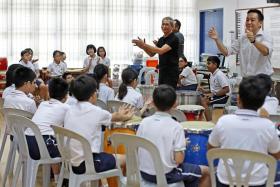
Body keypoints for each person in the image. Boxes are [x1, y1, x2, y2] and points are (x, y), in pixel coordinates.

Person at [208, 76, 280, 187]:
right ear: (261, 104)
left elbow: (211, 149)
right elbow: (276, 156)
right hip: (257, 182)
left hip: (225, 181)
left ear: (238, 99)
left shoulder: (223, 121)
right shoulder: (268, 126)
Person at [137, 84, 210, 187]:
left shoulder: (144, 122)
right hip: (167, 175)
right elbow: (179, 160)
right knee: (206, 171)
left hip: (144, 173)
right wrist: (183, 144)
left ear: (153, 102)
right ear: (175, 104)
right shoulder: (175, 126)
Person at [64, 75, 134, 175]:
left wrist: (118, 114)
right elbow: (117, 117)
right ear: (93, 95)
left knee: (105, 154)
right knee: (128, 158)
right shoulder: (96, 111)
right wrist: (125, 115)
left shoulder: (70, 110)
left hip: (70, 161)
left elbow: (111, 116)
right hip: (88, 163)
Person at [25, 78, 70, 183]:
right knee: (66, 148)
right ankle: (61, 179)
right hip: (42, 145)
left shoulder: (43, 104)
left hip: (27, 143)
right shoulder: (66, 108)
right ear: (66, 95)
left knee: (54, 140)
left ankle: (56, 178)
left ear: (49, 92)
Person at [208, 9, 273, 77]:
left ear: (260, 23)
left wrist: (253, 41)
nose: (249, 22)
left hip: (262, 80)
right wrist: (217, 39)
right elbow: (226, 52)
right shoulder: (242, 38)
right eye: (247, 20)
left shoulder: (266, 36)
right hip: (246, 79)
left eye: (252, 20)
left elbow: (265, 52)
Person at [132, 17, 179, 89]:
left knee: (169, 95)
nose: (164, 26)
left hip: (171, 73)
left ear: (172, 26)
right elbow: (151, 54)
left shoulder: (174, 38)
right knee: (161, 94)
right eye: (163, 24)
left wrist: (144, 45)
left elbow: (161, 50)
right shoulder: (161, 39)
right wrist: (142, 47)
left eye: (167, 24)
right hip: (162, 71)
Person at [199, 56, 230, 121]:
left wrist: (213, 94)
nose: (207, 65)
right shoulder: (212, 74)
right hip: (217, 95)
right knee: (199, 98)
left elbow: (227, 89)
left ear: (215, 65)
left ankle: (209, 122)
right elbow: (214, 90)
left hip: (224, 97)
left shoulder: (219, 75)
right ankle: (202, 120)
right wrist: (204, 91)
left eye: (209, 63)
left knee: (204, 102)